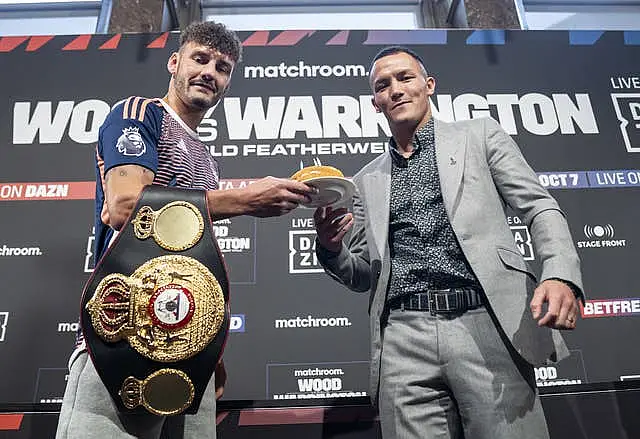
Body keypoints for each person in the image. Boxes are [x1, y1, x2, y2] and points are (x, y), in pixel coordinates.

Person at [56, 21, 315, 439]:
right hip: (123, 337)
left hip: (190, 348)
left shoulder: (208, 159)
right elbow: (124, 208)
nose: (210, 72)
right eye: (200, 59)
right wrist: (244, 200)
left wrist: (208, 340)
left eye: (223, 67)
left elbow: (191, 252)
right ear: (174, 62)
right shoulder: (138, 113)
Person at [314, 46, 583, 439]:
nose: (395, 90)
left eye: (405, 78)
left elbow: (539, 207)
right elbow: (362, 276)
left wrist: (559, 273)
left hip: (485, 321)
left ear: (429, 85)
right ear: (375, 103)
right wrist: (332, 248)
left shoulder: (480, 135)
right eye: (382, 85)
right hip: (402, 337)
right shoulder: (364, 181)